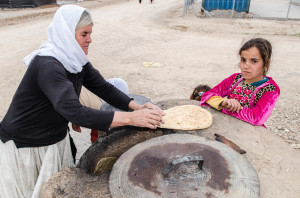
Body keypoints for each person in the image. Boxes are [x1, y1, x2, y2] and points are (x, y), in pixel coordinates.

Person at [0, 5, 164, 198]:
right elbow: (74, 112)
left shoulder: (75, 60)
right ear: (67, 34)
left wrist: (138, 106)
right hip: (28, 145)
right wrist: (133, 119)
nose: (90, 39)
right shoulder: (48, 65)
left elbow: (104, 88)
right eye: (84, 34)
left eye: (90, 33)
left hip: (54, 139)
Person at [200, 38, 280, 127]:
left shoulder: (271, 89)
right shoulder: (235, 79)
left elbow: (256, 118)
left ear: (266, 64)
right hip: (227, 124)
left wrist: (225, 107)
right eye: (243, 60)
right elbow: (207, 95)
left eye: (254, 61)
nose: (245, 66)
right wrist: (223, 102)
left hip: (250, 132)